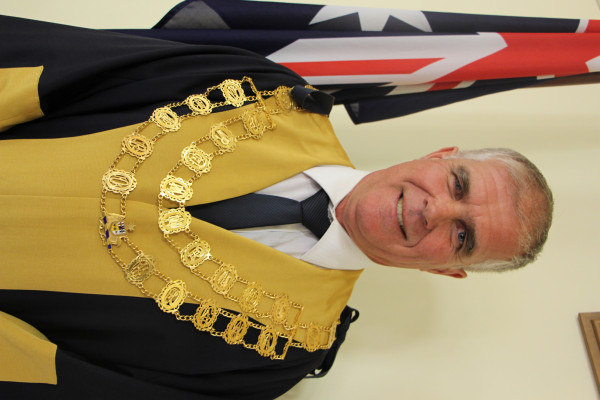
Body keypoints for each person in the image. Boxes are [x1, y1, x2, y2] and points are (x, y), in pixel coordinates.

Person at [0, 16, 552, 400]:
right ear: (438, 156)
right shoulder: (261, 91)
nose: (436, 211)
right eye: (457, 184)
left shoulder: (274, 357)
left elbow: (54, 382)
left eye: (463, 237)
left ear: (446, 270)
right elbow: (58, 69)